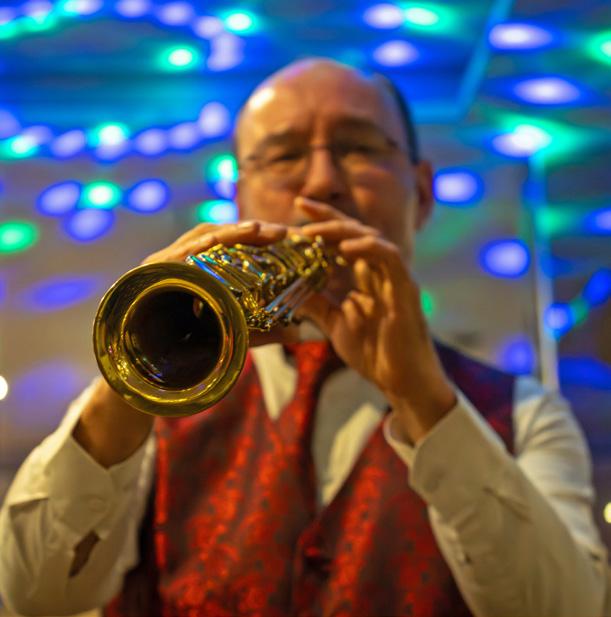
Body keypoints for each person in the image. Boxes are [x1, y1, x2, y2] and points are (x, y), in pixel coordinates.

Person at [0, 58, 608, 617]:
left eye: (359, 147)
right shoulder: (152, 410)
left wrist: (426, 401)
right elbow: (32, 595)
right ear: (238, 196)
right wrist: (130, 387)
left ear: (422, 193)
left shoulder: (526, 415)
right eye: (283, 155)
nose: (320, 183)